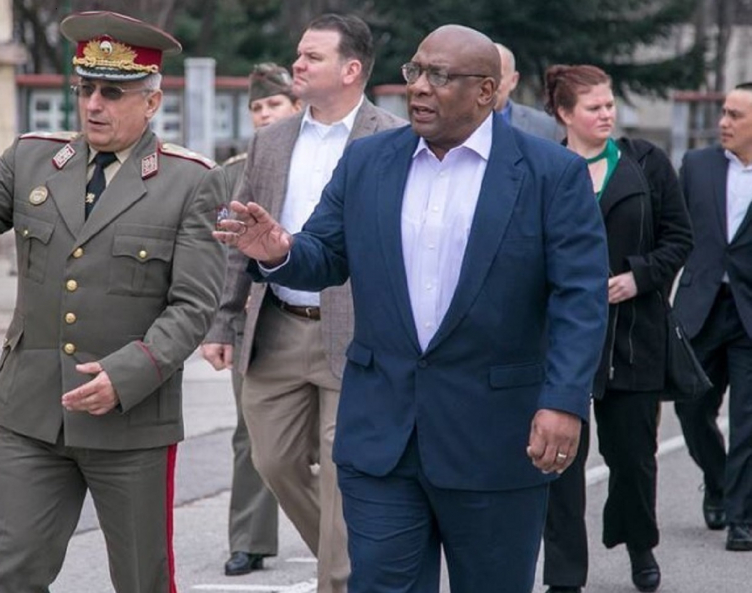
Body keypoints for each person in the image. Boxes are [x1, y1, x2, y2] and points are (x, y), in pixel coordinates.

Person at [216, 24, 609, 593]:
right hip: (383, 437)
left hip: (495, 439)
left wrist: (564, 401)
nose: (420, 88)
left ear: (485, 91)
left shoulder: (551, 174)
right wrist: (279, 253)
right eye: (415, 72)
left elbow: (580, 297)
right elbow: (325, 254)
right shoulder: (368, 162)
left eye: (440, 76)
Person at [0, 11, 226, 593]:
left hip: (130, 423)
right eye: (86, 89)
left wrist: (127, 375)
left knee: (142, 580)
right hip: (31, 414)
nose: (94, 104)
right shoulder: (33, 159)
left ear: (151, 103)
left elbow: (194, 307)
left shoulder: (189, 182)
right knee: (13, 573)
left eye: (113, 92)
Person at [205, 13, 404, 593]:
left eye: (311, 57)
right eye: (298, 55)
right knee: (273, 462)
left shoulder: (392, 138)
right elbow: (240, 234)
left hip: (358, 333)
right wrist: (223, 319)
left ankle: (339, 581)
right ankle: (361, 562)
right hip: (279, 327)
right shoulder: (272, 139)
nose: (297, 65)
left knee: (345, 474)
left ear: (351, 69)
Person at [541, 65, 694, 593]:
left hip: (633, 334)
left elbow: (679, 237)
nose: (606, 114)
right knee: (558, 459)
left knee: (632, 457)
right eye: (593, 107)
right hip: (559, 337)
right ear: (564, 114)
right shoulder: (544, 166)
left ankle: (640, 546)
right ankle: (564, 574)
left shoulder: (645, 163)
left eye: (609, 105)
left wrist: (639, 277)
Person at [200, 62, 302, 577]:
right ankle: (250, 538)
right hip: (252, 319)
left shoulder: (317, 158)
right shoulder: (231, 171)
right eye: (257, 108)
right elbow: (219, 253)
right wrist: (219, 320)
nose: (264, 115)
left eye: (274, 105)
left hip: (318, 313)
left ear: (297, 106)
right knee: (252, 434)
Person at [672, 82, 752, 552]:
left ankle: (742, 516)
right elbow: (675, 236)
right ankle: (719, 481)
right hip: (701, 308)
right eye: (723, 113)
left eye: (735, 116)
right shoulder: (696, 166)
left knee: (747, 420)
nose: (723, 122)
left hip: (748, 314)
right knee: (692, 406)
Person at [494, 42, 562, 141]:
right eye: (481, 76)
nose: (488, 86)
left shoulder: (545, 126)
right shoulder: (463, 124)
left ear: (513, 80)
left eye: (498, 77)